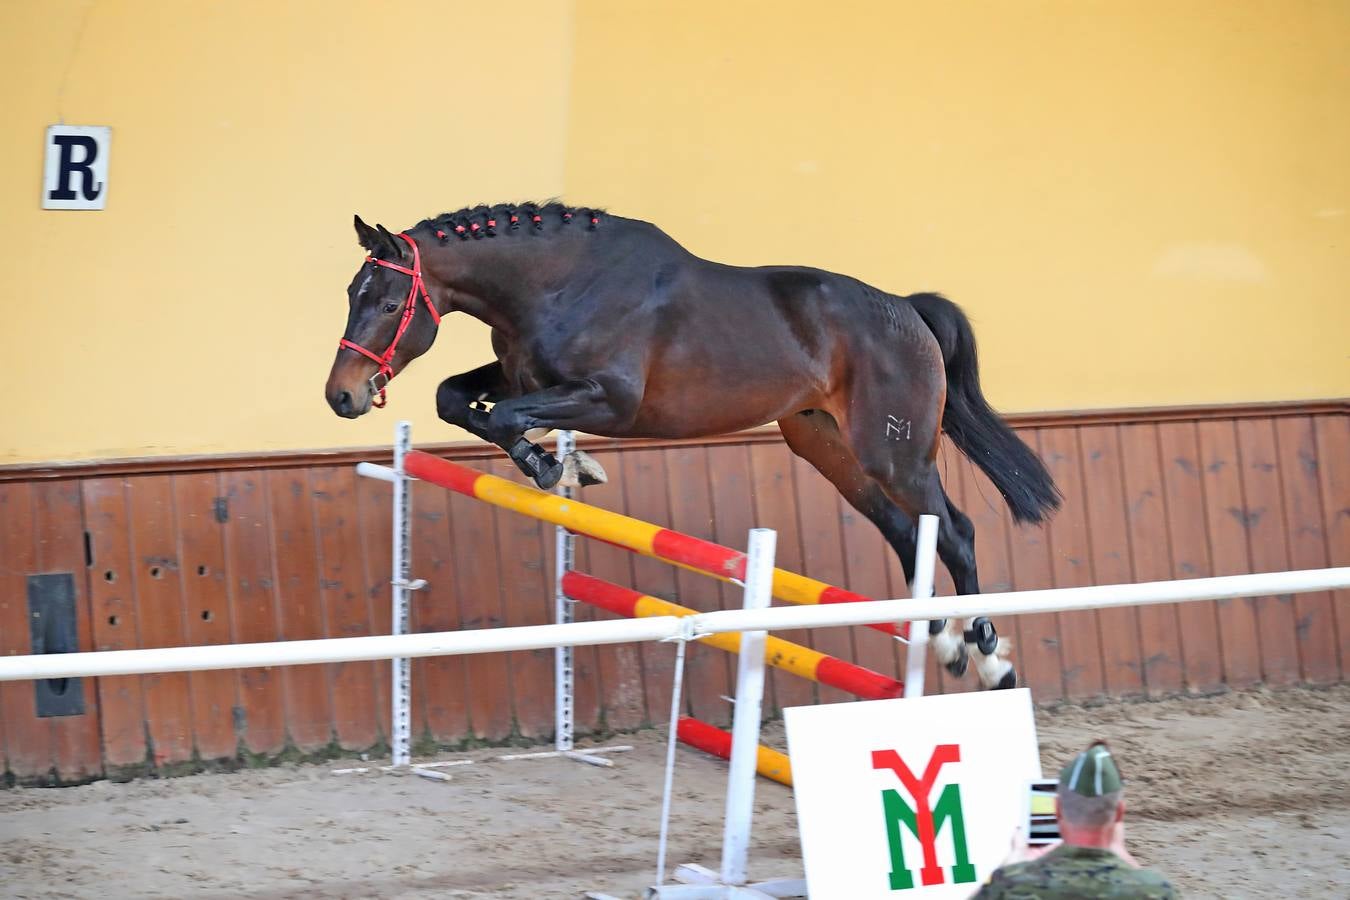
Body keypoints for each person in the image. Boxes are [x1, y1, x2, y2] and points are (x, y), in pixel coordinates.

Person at [973, 741, 1178, 898]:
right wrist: (1126, 861)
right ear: (1119, 813)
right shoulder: (1156, 890)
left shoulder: (1009, 886)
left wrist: (1013, 861)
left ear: (1057, 810)